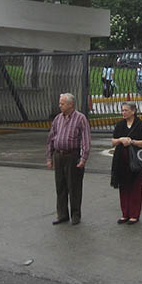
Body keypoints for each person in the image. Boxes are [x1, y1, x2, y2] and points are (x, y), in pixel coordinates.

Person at [45, 92, 91, 225]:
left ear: (70, 104)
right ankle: (62, 214)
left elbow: (85, 140)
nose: (60, 106)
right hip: (59, 155)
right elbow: (51, 139)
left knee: (74, 186)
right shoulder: (58, 119)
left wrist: (83, 158)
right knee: (60, 186)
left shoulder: (80, 118)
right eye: (60, 103)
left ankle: (75, 215)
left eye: (62, 104)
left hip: (72, 156)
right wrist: (49, 157)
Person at [110, 101, 142, 224]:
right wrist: (120, 140)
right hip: (121, 160)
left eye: (126, 110)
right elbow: (113, 141)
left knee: (136, 187)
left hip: (135, 160)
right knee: (123, 186)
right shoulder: (120, 125)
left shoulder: (140, 125)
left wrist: (132, 142)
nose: (123, 113)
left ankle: (134, 214)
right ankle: (125, 213)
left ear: (133, 111)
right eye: (122, 110)